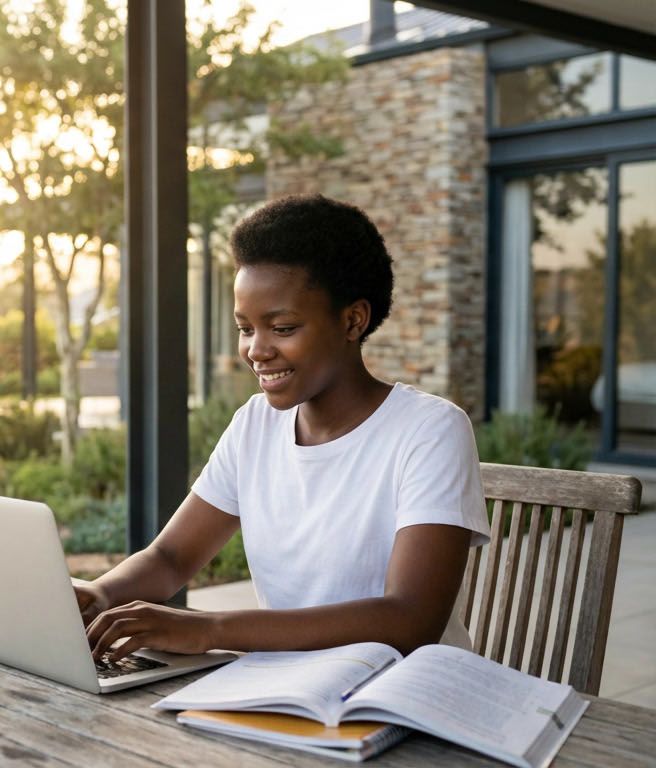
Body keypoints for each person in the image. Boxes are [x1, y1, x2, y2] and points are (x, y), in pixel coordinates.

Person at [78, 194, 489, 663]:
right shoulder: (256, 424)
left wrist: (209, 629)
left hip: (403, 698)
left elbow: (410, 621)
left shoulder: (429, 431)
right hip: (287, 691)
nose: (256, 349)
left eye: (283, 327)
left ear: (353, 320)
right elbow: (171, 559)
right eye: (245, 328)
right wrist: (98, 595)